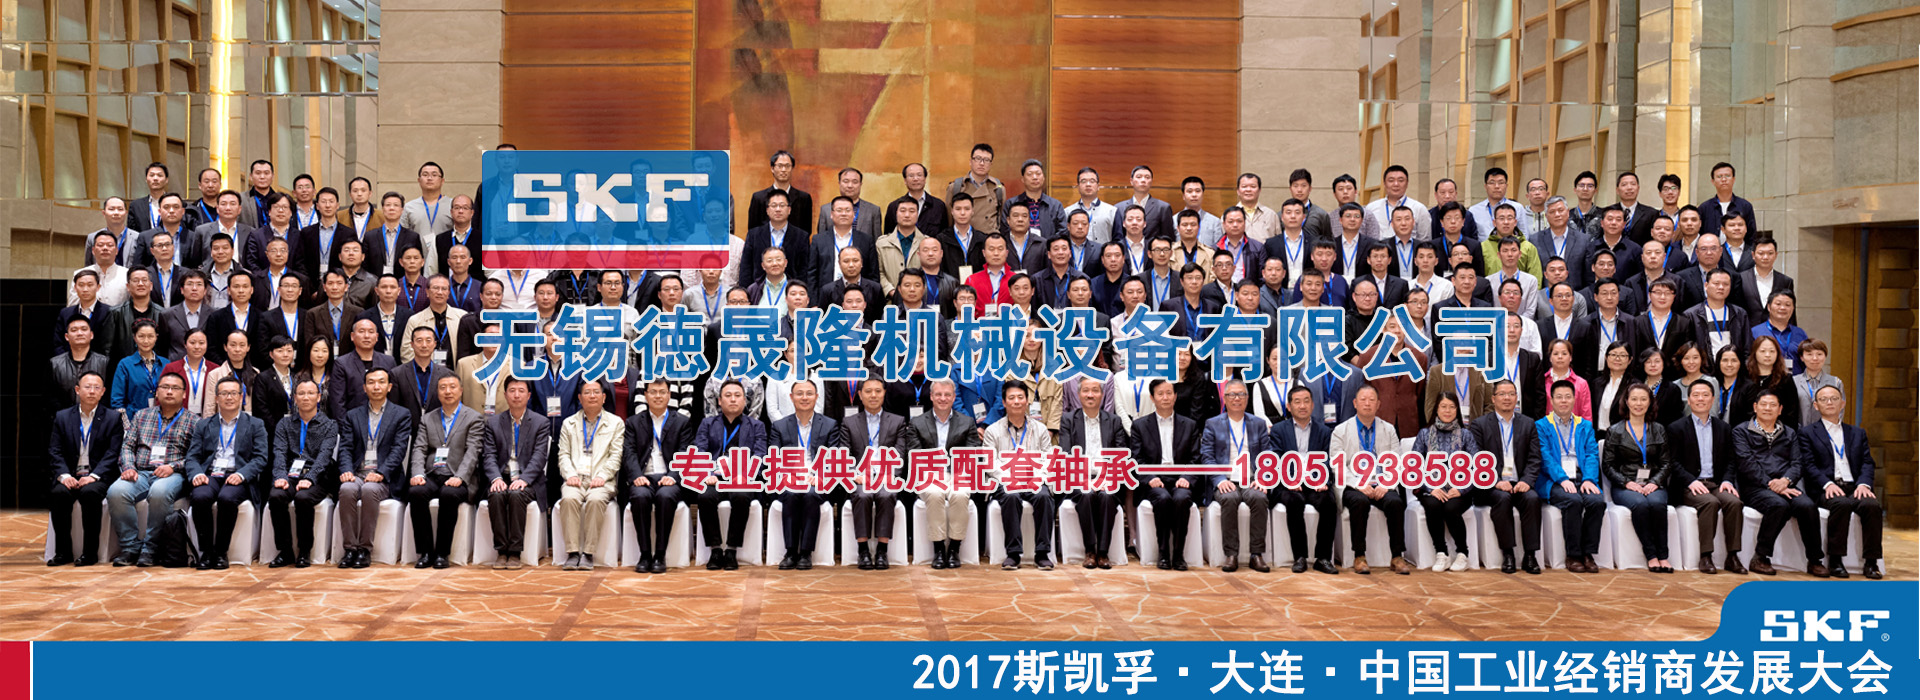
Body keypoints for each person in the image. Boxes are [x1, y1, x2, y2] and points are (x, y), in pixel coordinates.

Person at [109, 371, 198, 566]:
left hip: (173, 475)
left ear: (184, 394)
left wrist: (173, 466)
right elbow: (127, 446)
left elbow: (196, 457)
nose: (169, 392)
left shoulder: (194, 421)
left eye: (175, 388)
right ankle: (130, 547)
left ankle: (151, 548)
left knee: (159, 492)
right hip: (141, 472)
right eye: (165, 387)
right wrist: (129, 467)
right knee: (116, 491)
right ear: (156, 392)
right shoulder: (142, 415)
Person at [1734, 393, 1823, 576]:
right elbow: (1746, 464)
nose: (1768, 408)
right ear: (1755, 407)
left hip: (1786, 485)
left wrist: (1785, 481)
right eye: (1763, 404)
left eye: (1773, 405)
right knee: (1778, 505)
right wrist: (1770, 484)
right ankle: (1760, 557)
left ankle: (1815, 560)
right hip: (1755, 487)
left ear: (1780, 409)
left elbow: (1797, 463)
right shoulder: (1741, 431)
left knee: (1807, 505)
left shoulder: (1789, 433)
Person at [1800, 385, 1884, 579]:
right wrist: (1827, 484)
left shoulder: (1857, 433)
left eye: (1834, 398)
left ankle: (1871, 562)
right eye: (1824, 399)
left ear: (1842, 403)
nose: (1829, 402)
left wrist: (1863, 484)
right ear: (1816, 405)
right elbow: (1808, 465)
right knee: (1841, 504)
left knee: (1872, 505)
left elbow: (1867, 462)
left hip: (1854, 486)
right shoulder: (1807, 433)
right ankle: (1836, 560)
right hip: (1826, 488)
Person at [407, 374, 486, 569]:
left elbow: (473, 452)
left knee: (449, 494)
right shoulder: (428, 418)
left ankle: (442, 553)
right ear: (437, 392)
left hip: (458, 476)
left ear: (461, 391)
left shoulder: (473, 418)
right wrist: (417, 474)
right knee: (416, 492)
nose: (447, 391)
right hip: (432, 474)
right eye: (443, 388)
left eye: (452, 387)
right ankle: (425, 552)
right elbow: (419, 449)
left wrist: (460, 477)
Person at [1667, 378, 1745, 575]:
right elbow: (1672, 463)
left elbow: (1731, 460)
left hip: (1716, 483)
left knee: (1734, 502)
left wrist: (1727, 480)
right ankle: (1706, 556)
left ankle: (1732, 556)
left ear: (1712, 399)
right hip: (1688, 485)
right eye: (1696, 395)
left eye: (1705, 395)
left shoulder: (1723, 428)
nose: (1700, 399)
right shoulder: (1676, 428)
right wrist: (1690, 481)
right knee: (1710, 502)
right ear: (1689, 400)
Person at [337, 367, 410, 569]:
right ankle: (350, 549)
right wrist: (346, 470)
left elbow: (399, 450)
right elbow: (345, 448)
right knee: (346, 489)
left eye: (381, 382)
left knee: (369, 490)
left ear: (389, 387)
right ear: (364, 387)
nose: (376, 386)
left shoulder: (401, 414)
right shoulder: (353, 415)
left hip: (384, 477)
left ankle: (364, 549)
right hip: (358, 473)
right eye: (371, 382)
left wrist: (381, 473)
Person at [1467, 380, 1542, 574]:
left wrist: (1526, 481)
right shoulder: (1480, 425)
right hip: (1492, 485)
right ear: (1493, 399)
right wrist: (1496, 482)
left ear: (1516, 398)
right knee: (1502, 498)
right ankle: (1508, 553)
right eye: (1502, 394)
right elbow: (1476, 460)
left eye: (1511, 394)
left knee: (1532, 498)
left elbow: (1535, 458)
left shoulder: (1528, 424)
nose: (1507, 398)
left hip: (1520, 482)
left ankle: (1530, 555)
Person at [46, 372, 121, 566]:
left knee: (90, 493)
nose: (92, 391)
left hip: (98, 476)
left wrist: (94, 476)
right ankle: (63, 553)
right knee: (59, 493)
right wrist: (64, 476)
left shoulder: (113, 418)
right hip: (70, 474)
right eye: (87, 387)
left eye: (97, 387)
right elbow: (55, 450)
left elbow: (113, 453)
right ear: (78, 390)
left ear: (103, 392)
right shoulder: (63, 417)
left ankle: (90, 553)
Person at [1195, 379, 1271, 573]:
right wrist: (1219, 479)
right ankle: (1231, 554)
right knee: (1229, 499)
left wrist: (1262, 478)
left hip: (1251, 479)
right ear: (1225, 398)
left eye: (1241, 394)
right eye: (1232, 395)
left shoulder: (1258, 424)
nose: (1237, 399)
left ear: (1247, 398)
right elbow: (1207, 456)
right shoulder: (1212, 424)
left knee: (1259, 498)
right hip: (1226, 479)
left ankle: (1256, 554)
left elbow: (1267, 456)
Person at [1334, 385, 1409, 574]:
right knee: (1359, 502)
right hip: (1354, 484)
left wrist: (1386, 483)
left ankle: (1397, 556)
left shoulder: (1389, 429)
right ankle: (1359, 556)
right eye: (1363, 399)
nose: (1367, 403)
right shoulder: (1340, 430)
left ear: (1378, 404)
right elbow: (1337, 464)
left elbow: (1397, 461)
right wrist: (1359, 484)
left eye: (1371, 400)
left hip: (1382, 482)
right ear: (1355, 403)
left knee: (1395, 502)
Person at [694, 379, 768, 570]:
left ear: (744, 400)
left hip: (742, 478)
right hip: (715, 478)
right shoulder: (707, 423)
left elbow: (760, 455)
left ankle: (731, 550)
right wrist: (707, 473)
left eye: (737, 395)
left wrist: (746, 474)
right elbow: (699, 451)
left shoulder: (756, 425)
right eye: (728, 396)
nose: (733, 399)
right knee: (705, 496)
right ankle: (715, 549)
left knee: (742, 496)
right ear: (719, 401)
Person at [908, 379, 981, 569]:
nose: (943, 398)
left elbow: (973, 452)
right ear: (931, 396)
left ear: (954, 397)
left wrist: (958, 473)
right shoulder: (917, 423)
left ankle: (955, 547)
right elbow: (914, 454)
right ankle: (939, 548)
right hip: (928, 475)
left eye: (947, 395)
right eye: (938, 394)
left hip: (957, 474)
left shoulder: (967, 422)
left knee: (960, 494)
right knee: (934, 493)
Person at [766, 377, 838, 570]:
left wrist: (820, 476)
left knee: (811, 494)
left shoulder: (830, 425)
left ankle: (806, 552)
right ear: (791, 397)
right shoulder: (780, 426)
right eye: (799, 394)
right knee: (790, 494)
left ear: (817, 396)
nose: (804, 397)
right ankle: (791, 552)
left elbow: (833, 457)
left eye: (809, 393)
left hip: (817, 478)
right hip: (789, 478)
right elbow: (774, 457)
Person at [986, 380, 1058, 570]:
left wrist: (1037, 478)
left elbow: (1048, 459)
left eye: (1020, 397)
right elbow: (990, 463)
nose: (1016, 401)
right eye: (1011, 398)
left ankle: (1042, 553)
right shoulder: (993, 430)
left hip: (1034, 479)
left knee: (1044, 497)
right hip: (1006, 480)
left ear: (1027, 400)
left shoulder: (1040, 429)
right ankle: (1013, 554)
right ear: (1004, 402)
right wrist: (1008, 479)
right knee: (1011, 497)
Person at [1059, 378, 1130, 570]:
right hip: (1078, 478)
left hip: (1107, 477)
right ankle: (1090, 551)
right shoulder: (1068, 420)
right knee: (1087, 493)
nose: (1090, 395)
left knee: (1107, 496)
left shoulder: (1113, 421)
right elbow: (1065, 454)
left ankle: (1103, 552)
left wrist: (1107, 478)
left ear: (1103, 394)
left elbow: (1121, 455)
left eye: (1095, 390)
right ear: (1078, 394)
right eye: (1086, 391)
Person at [1266, 385, 1339, 574]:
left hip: (1315, 483)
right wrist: (1289, 479)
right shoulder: (1279, 430)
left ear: (1313, 404)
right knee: (1294, 502)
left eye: (1306, 401)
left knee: (1329, 502)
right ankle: (1300, 557)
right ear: (1289, 407)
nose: (1302, 406)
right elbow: (1276, 458)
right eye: (1297, 402)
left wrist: (1323, 479)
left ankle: (1323, 558)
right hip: (1289, 483)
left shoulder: (1324, 431)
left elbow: (1328, 460)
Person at [264, 379, 335, 567]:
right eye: (301, 393)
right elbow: (279, 452)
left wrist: (310, 478)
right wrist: (280, 476)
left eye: (311, 393)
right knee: (276, 495)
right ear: (295, 398)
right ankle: (285, 551)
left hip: (318, 477)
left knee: (303, 498)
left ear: (318, 397)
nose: (306, 397)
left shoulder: (329, 425)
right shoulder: (285, 424)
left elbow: (324, 456)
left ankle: (304, 551)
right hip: (290, 474)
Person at [1603, 384, 1674, 572]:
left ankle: (1663, 556)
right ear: (1626, 402)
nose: (1638, 403)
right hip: (1625, 485)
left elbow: (1666, 463)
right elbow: (1608, 465)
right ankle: (1651, 555)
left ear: (1650, 402)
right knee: (1640, 505)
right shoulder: (1615, 431)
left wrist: (1655, 482)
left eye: (1643, 399)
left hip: (1653, 484)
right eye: (1634, 399)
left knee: (1657, 504)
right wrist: (1626, 482)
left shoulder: (1658, 429)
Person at [553, 379, 622, 570]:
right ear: (580, 398)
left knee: (595, 500)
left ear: (604, 397)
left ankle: (589, 553)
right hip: (575, 478)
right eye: (587, 392)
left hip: (602, 480)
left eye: (596, 392)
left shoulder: (615, 423)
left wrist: (603, 476)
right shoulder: (569, 424)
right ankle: (573, 552)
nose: (592, 396)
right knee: (568, 499)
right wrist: (569, 475)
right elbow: (563, 455)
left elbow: (615, 456)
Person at [1538, 379, 1604, 573]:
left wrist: (1589, 479)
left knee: (1597, 501)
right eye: (1559, 397)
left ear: (1575, 399)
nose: (1564, 401)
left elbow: (1592, 455)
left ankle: (1588, 553)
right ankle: (1573, 554)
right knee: (1573, 501)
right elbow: (1545, 457)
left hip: (1581, 477)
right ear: (1551, 400)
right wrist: (1562, 479)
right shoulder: (1541, 426)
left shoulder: (1584, 425)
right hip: (1553, 479)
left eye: (1568, 397)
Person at [1413, 392, 1480, 572]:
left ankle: (1462, 553)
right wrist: (1431, 487)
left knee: (1451, 508)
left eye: (1451, 407)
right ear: (1436, 409)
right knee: (1433, 505)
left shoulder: (1466, 435)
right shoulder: (1424, 434)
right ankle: (1441, 553)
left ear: (1457, 410)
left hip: (1459, 489)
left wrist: (1461, 489)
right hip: (1431, 488)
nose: (1447, 411)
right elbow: (1414, 466)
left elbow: (1476, 467)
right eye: (1443, 406)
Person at [110, 319, 168, 412]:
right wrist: (125, 420)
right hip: (134, 417)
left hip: (162, 416)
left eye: (150, 336)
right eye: (141, 336)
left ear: (156, 337)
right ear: (135, 338)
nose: (146, 341)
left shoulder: (166, 364)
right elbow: (117, 400)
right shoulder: (125, 364)